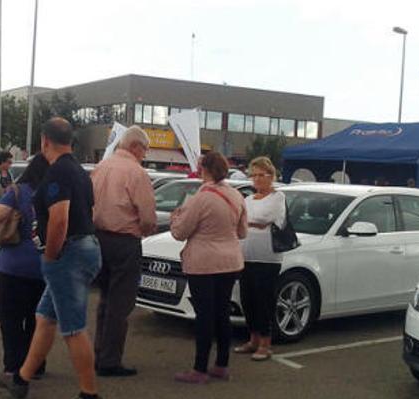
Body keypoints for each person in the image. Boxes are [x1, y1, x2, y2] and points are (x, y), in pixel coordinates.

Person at [0, 117, 104, 399]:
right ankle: (20, 380)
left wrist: (51, 255)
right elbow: (88, 211)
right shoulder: (79, 172)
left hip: (68, 253)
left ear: (44, 141)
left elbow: (60, 218)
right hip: (84, 248)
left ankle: (89, 396)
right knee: (44, 318)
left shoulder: (57, 173)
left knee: (73, 328)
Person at [170, 151, 247, 383]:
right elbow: (242, 232)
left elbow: (180, 232)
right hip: (230, 260)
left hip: (203, 263)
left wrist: (176, 218)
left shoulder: (201, 198)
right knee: (222, 313)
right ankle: (221, 364)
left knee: (204, 315)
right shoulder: (236, 195)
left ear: (205, 170)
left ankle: (199, 368)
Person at [90, 126, 156, 377]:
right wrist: (145, 231)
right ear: (136, 147)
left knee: (105, 298)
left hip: (98, 239)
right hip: (124, 241)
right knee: (121, 303)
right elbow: (148, 216)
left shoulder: (101, 167)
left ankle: (99, 352)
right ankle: (109, 360)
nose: (145, 154)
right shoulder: (136, 172)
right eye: (146, 149)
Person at [0, 154, 50, 382]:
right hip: (44, 265)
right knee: (38, 318)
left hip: (13, 265)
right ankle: (36, 363)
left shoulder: (18, 191)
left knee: (11, 318)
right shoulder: (53, 192)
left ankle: (13, 365)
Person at [234, 157, 286, 361]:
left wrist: (251, 222)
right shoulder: (247, 199)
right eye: (253, 175)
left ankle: (266, 342)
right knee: (247, 299)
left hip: (267, 258)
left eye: (260, 175)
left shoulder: (278, 197)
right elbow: (241, 220)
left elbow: (266, 217)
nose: (256, 179)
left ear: (271, 176)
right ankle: (253, 338)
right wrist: (252, 224)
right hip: (246, 254)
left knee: (264, 299)